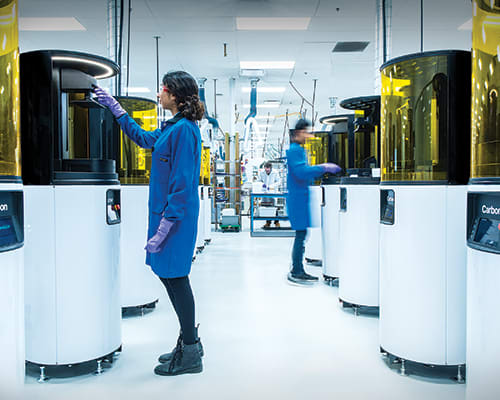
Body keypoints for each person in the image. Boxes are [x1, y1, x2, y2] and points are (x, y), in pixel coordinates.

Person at [93, 71, 204, 376]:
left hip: (175, 220)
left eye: (163, 90)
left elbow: (182, 184)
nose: (159, 95)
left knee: (177, 279)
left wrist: (165, 228)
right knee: (170, 278)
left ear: (176, 96)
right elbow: (143, 139)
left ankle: (191, 351)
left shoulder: (186, 131)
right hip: (166, 217)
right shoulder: (172, 128)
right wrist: (117, 110)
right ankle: (188, 341)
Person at [286, 119, 341, 285]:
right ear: (298, 133)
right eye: (306, 132)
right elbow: (301, 172)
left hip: (300, 197)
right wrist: (323, 167)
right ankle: (296, 270)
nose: (308, 136)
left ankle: (297, 268)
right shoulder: (295, 150)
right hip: (297, 199)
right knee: (301, 235)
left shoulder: (299, 150)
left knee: (302, 234)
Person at [258, 161, 281, 228]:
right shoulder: (261, 172)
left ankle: (276, 222)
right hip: (264, 192)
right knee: (266, 206)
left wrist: (272, 186)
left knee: (274, 207)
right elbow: (259, 181)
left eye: (268, 169)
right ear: (264, 168)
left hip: (273, 191)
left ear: (271, 168)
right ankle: (268, 223)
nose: (267, 171)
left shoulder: (275, 172)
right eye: (266, 169)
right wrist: (262, 185)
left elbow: (279, 181)